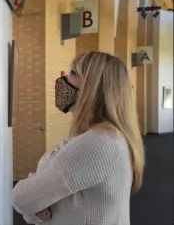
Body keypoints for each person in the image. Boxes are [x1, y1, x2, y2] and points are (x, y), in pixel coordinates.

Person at [12, 51, 145, 225]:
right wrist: (34, 210)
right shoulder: (100, 136)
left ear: (94, 86)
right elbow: (31, 203)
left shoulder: (98, 143)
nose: (64, 80)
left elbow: (21, 198)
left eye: (73, 73)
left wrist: (34, 204)